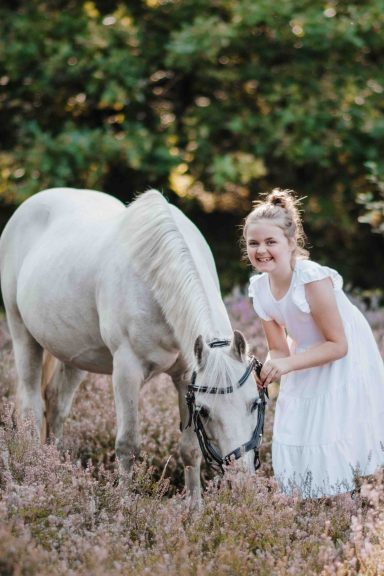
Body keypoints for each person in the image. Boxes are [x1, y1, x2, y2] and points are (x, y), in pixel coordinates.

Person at [244, 188, 384, 498]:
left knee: (331, 429)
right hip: (306, 354)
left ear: (291, 243)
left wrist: (288, 364)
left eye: (271, 242)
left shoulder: (310, 278)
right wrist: (268, 369)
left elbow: (338, 345)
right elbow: (278, 349)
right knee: (297, 426)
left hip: (343, 354)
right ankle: (313, 509)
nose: (261, 250)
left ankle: (348, 511)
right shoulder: (260, 289)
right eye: (253, 243)